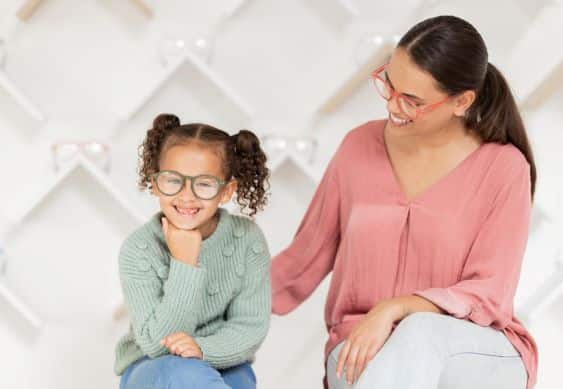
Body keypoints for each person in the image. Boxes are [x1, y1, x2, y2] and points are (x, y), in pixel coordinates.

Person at [271, 15, 538, 389]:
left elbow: (490, 293)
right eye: (389, 86)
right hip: (361, 348)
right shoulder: (358, 148)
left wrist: (396, 308)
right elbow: (299, 262)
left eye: (412, 100)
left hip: (470, 351)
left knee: (420, 332)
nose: (393, 107)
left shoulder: (504, 168)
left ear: (462, 101)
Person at [114, 113, 271, 389]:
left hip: (223, 361)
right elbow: (155, 345)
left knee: (237, 381)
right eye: (174, 180)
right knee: (187, 375)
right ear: (155, 183)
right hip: (150, 368)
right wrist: (184, 262)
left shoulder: (247, 239)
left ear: (226, 191)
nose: (187, 195)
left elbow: (250, 327)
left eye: (204, 184)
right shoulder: (138, 249)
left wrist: (201, 348)